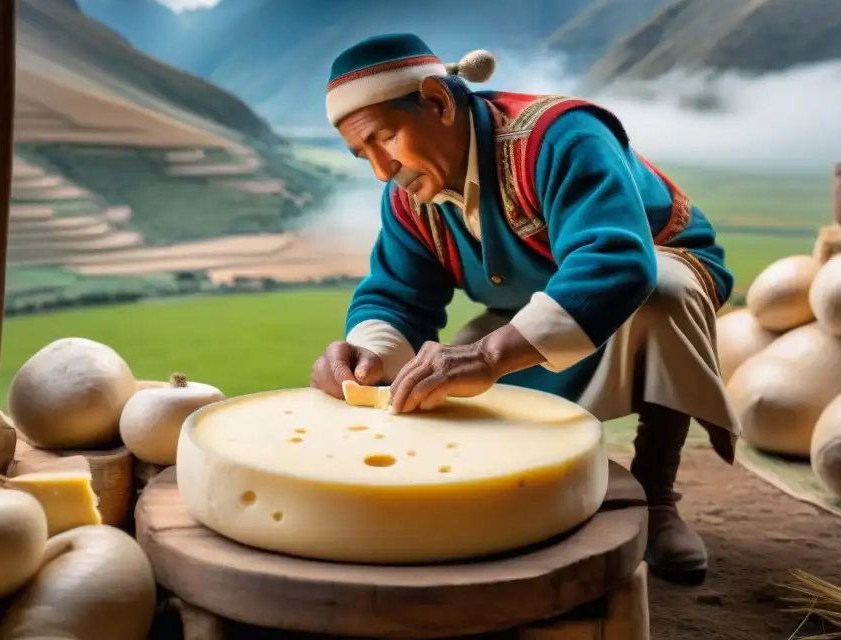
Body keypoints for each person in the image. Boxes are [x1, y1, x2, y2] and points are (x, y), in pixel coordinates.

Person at [309, 33, 741, 585]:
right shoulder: (407, 195)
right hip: (526, 306)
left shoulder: (561, 135)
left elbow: (616, 260)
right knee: (436, 386)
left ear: (440, 103)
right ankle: (525, 489)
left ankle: (657, 496)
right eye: (361, 154)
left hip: (655, 269)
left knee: (663, 296)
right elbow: (396, 293)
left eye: (385, 138)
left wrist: (489, 355)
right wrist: (368, 354)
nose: (380, 169)